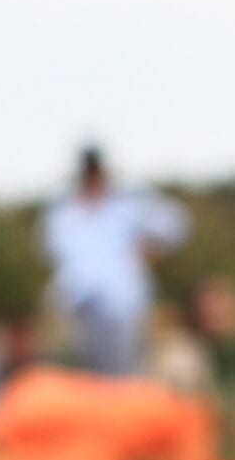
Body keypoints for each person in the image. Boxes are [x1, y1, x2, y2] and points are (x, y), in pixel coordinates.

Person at [38, 146, 188, 376]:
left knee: (123, 376)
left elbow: (175, 227)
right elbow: (49, 250)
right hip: (75, 309)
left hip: (123, 308)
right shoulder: (64, 211)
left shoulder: (128, 203)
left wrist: (150, 250)